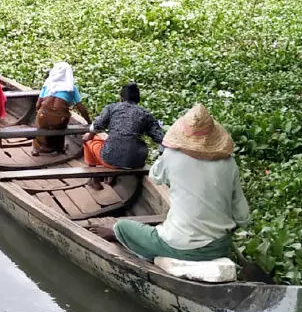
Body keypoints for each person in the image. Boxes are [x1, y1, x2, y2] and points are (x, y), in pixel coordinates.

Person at [93, 104, 250, 262]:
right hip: (220, 246)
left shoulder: (172, 155)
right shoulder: (229, 162)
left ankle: (120, 236)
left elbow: (155, 176)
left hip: (179, 245)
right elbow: (242, 216)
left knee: (122, 226)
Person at [82, 82, 164, 169]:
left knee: (89, 142)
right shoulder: (145, 113)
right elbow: (161, 138)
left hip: (110, 159)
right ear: (138, 99)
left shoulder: (111, 108)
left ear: (121, 97)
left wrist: (89, 136)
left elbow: (96, 126)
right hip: (137, 161)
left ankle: (92, 174)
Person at [32, 62, 92, 156]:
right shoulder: (72, 88)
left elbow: (37, 105)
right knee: (62, 118)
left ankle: (36, 148)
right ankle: (59, 147)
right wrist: (89, 122)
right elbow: (81, 107)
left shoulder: (47, 85)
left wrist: (41, 113)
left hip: (43, 117)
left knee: (40, 116)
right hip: (60, 121)